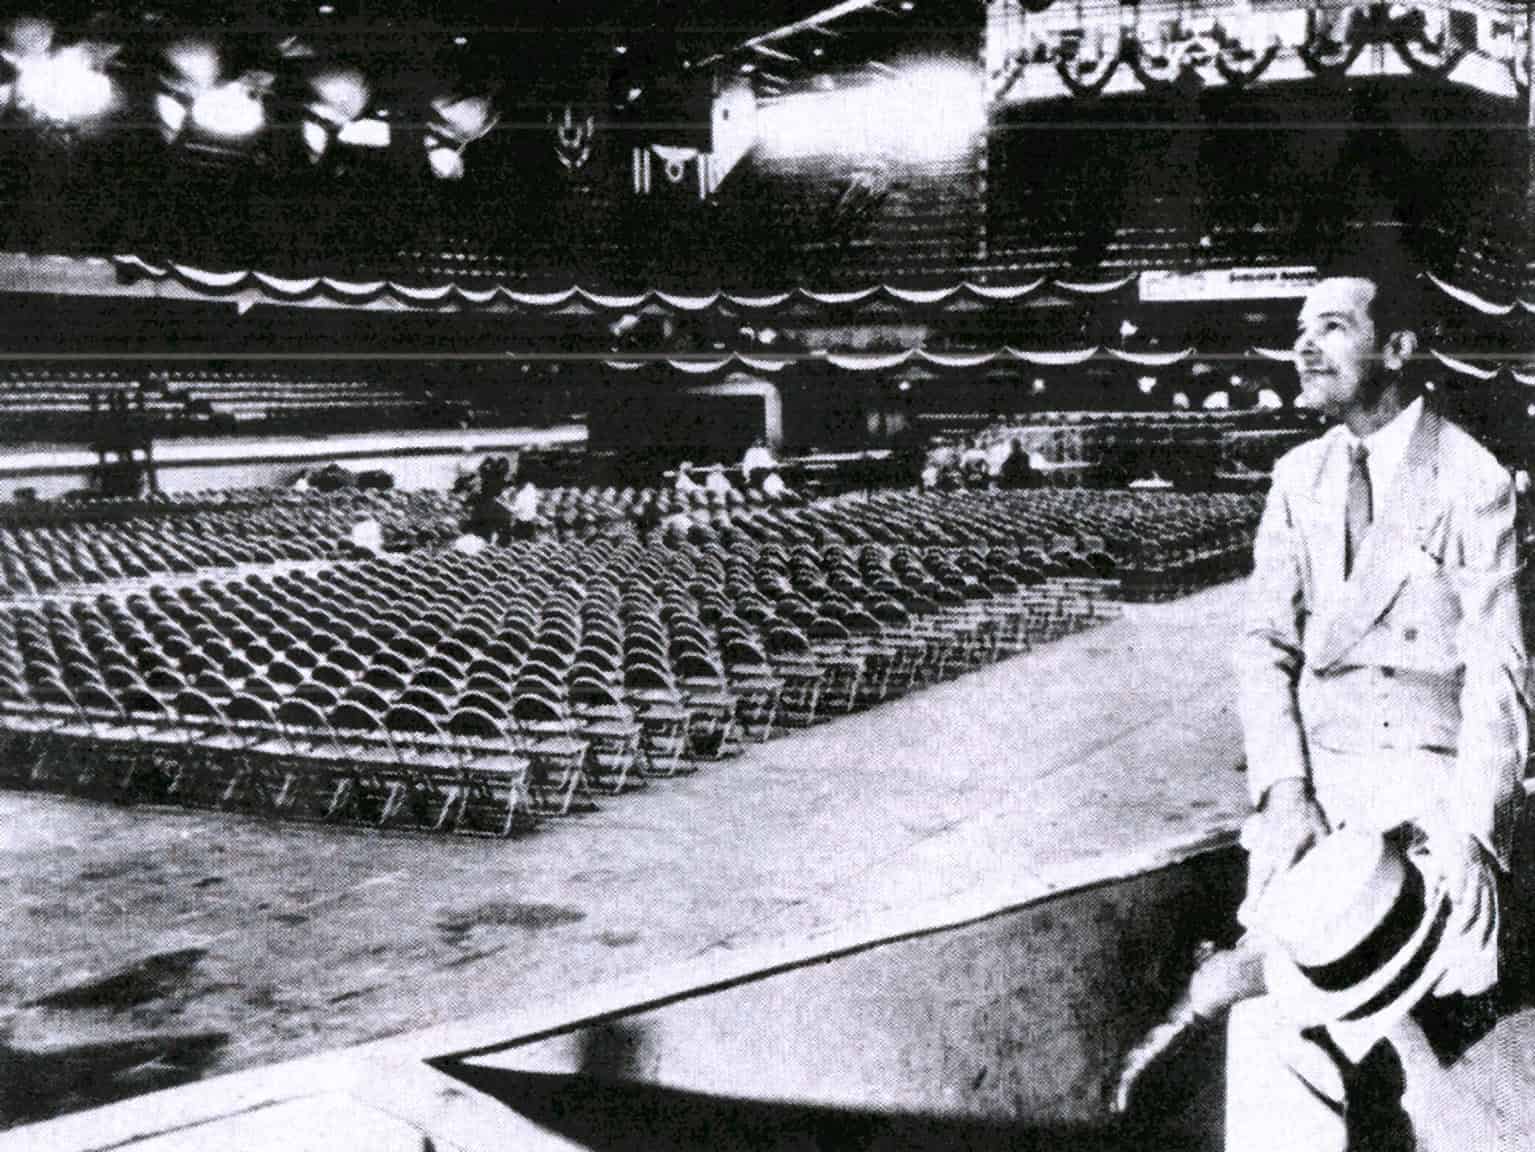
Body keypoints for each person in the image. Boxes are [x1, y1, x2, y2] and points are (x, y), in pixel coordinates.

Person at [1228, 255, 1527, 1151]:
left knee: (1419, 1048)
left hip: (1427, 794)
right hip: (1311, 797)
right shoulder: (1296, 477)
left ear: (1397, 347)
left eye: (1331, 327)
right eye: (1297, 330)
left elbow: (1497, 676)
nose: (1302, 346)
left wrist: (1472, 834)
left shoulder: (1472, 480)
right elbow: (1263, 648)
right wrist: (1282, 790)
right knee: (1274, 1032)